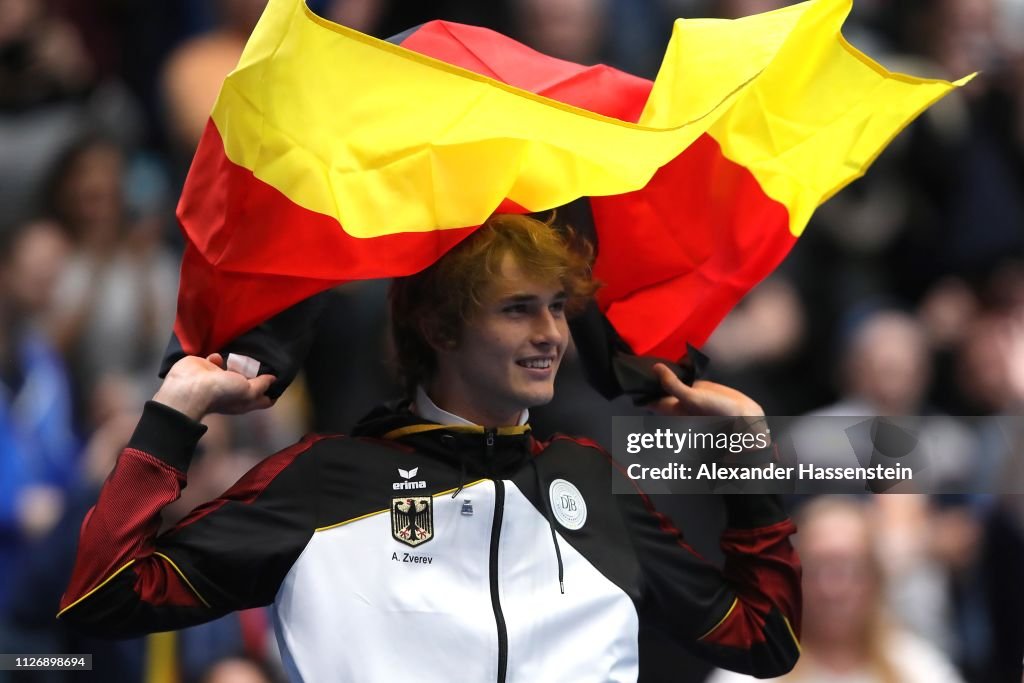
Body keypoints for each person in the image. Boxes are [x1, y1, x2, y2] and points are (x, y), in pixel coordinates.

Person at [59, 214, 801, 681]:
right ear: (441, 329)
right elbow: (102, 596)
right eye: (518, 309)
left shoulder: (588, 480)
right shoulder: (326, 480)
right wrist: (171, 417)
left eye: (556, 307)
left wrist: (746, 454)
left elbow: (766, 639)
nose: (550, 334)